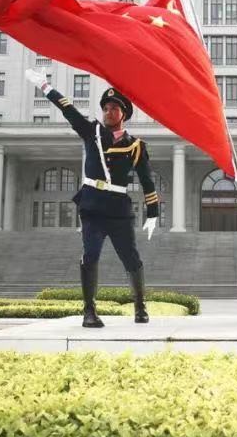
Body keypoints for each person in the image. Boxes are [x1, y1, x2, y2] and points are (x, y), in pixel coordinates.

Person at [25, 69, 158, 327]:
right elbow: (68, 109)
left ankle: (140, 307)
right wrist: (44, 85)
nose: (109, 112)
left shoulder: (136, 145)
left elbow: (147, 180)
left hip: (119, 210)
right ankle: (89, 311)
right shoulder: (91, 132)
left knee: (131, 258)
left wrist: (152, 213)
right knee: (90, 256)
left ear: (124, 114)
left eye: (115, 109)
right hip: (93, 207)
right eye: (106, 108)